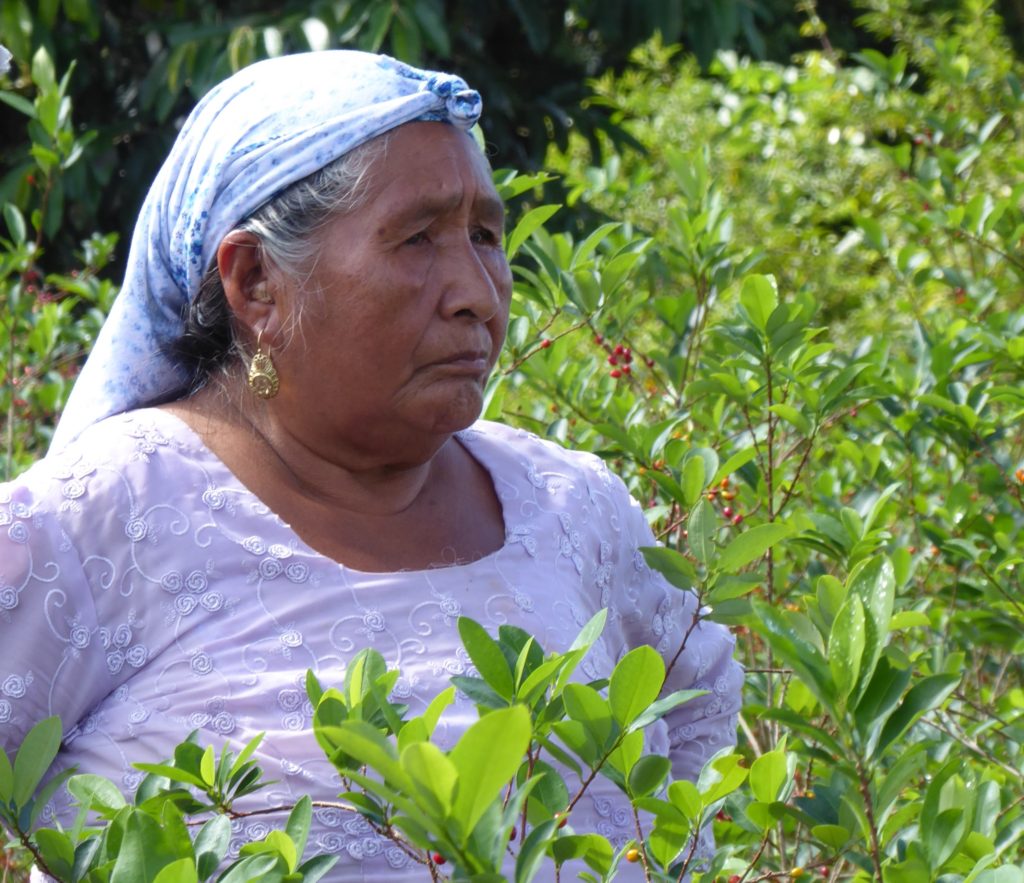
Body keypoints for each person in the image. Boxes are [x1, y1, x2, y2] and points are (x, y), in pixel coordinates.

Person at [0, 50, 742, 880]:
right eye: (418, 238)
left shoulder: (573, 509)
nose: (477, 292)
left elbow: (703, 725)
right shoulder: (101, 517)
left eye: (486, 236)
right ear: (256, 285)